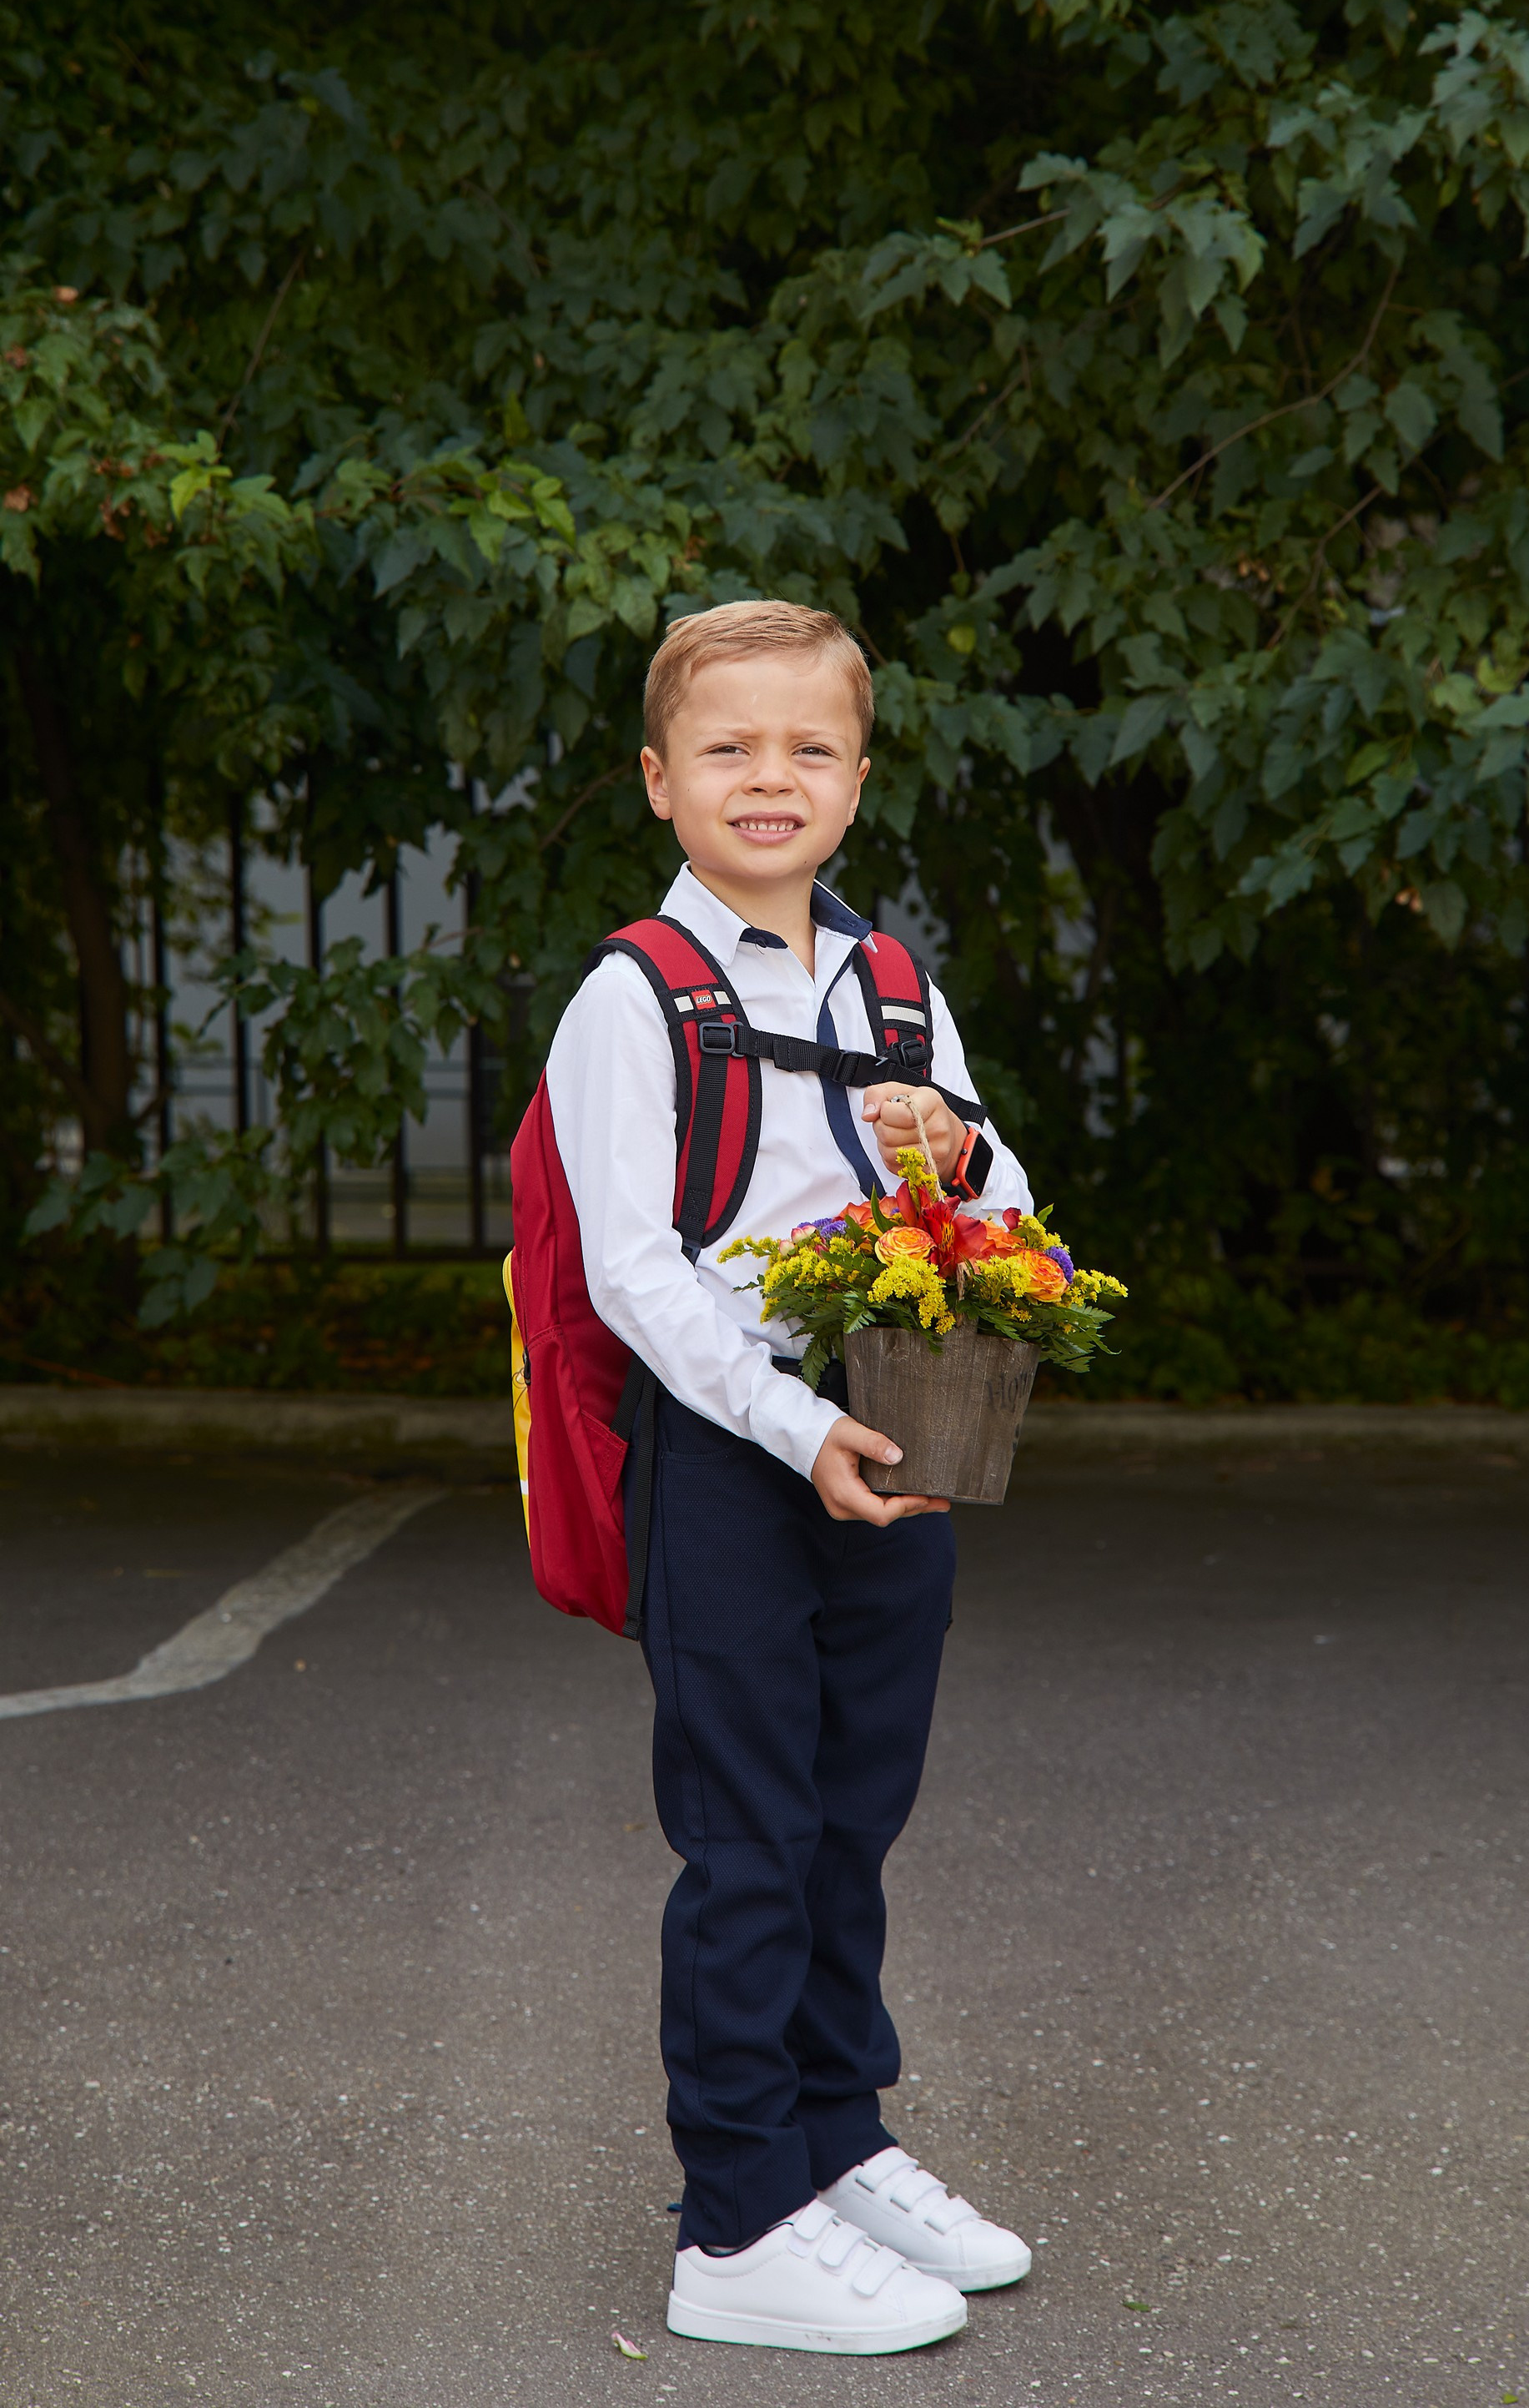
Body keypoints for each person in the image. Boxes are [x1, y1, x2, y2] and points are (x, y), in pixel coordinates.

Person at [546, 599, 1035, 2355]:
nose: (772, 777)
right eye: (730, 748)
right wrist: (787, 1425)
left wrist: (981, 1204)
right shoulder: (631, 997)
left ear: (858, 776)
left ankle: (839, 2140)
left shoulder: (894, 985)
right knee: (749, 1833)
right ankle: (738, 2214)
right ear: (660, 779)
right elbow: (634, 1272)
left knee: (853, 1816)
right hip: (739, 1451)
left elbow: (996, 1187)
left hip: (896, 1427)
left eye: (808, 747)